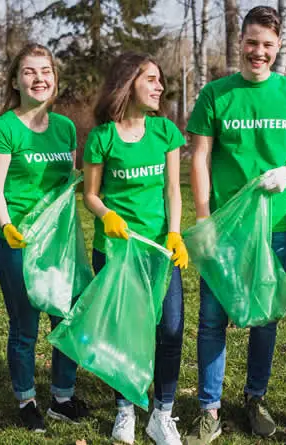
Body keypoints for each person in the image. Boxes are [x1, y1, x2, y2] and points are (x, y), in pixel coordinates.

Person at [184, 5, 286, 444]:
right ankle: (209, 408)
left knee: (264, 316)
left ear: (278, 46)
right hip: (225, 225)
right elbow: (201, 156)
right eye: (251, 43)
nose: (258, 52)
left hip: (276, 222)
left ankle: (254, 398)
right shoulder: (215, 94)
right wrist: (204, 217)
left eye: (267, 45)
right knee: (212, 317)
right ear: (239, 43)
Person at [0, 43, 90, 433]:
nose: (39, 78)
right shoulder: (4, 129)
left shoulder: (64, 129)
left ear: (54, 79)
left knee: (66, 318)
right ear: (15, 80)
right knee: (25, 327)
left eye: (45, 71)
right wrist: (6, 224)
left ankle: (62, 397)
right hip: (20, 242)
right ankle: (26, 399)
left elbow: (69, 182)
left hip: (60, 245)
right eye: (29, 71)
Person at [82, 52, 189, 445]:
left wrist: (175, 234)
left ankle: (162, 414)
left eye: (160, 80)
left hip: (159, 251)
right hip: (116, 250)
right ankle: (125, 410)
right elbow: (90, 194)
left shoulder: (164, 132)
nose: (159, 86)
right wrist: (106, 213)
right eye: (151, 79)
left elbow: (174, 190)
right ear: (128, 83)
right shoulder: (102, 137)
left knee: (171, 328)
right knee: (124, 332)